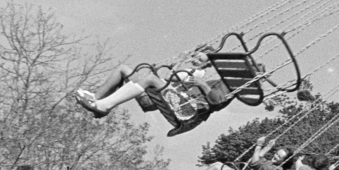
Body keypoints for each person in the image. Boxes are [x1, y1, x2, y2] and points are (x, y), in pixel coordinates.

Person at [74, 46, 232, 133]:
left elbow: (176, 80)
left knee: (149, 79)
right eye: (195, 57)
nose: (196, 61)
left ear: (206, 65)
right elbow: (169, 76)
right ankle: (97, 99)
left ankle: (104, 106)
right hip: (158, 91)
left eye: (200, 61)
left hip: (167, 99)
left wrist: (177, 66)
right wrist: (178, 61)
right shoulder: (187, 67)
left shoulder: (197, 73)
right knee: (123, 69)